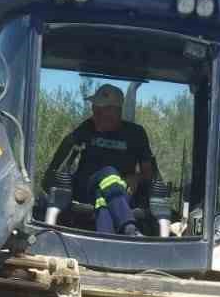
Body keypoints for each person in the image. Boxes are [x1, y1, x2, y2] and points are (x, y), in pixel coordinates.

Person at [42, 83, 156, 235]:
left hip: (121, 193)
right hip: (85, 188)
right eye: (94, 109)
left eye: (100, 110)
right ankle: (129, 228)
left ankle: (105, 238)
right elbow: (68, 143)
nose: (94, 113)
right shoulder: (87, 127)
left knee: (103, 197)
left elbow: (148, 173)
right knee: (109, 173)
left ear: (115, 111)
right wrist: (51, 170)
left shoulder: (136, 133)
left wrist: (136, 177)